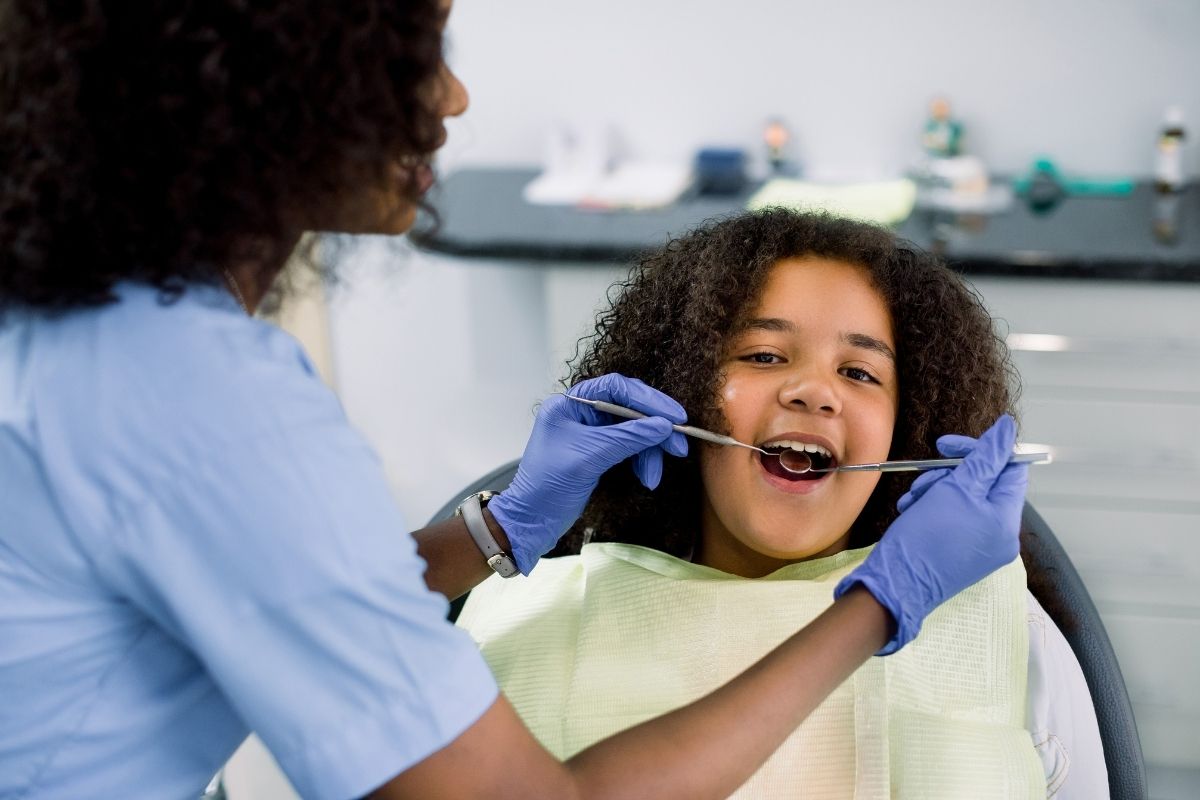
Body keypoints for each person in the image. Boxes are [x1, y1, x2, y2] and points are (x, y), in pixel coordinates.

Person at [1, 2, 1028, 798]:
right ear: (266, 75)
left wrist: (489, 531)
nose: (452, 98)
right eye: (416, 48)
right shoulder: (204, 407)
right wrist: (879, 606)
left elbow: (272, 580)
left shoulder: (108, 334)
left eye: (861, 370)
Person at [458, 209, 1108, 799]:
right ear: (681, 389)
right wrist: (498, 529)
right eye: (764, 355)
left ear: (906, 430)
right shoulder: (518, 621)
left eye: (859, 372)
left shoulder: (1011, 636)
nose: (813, 391)